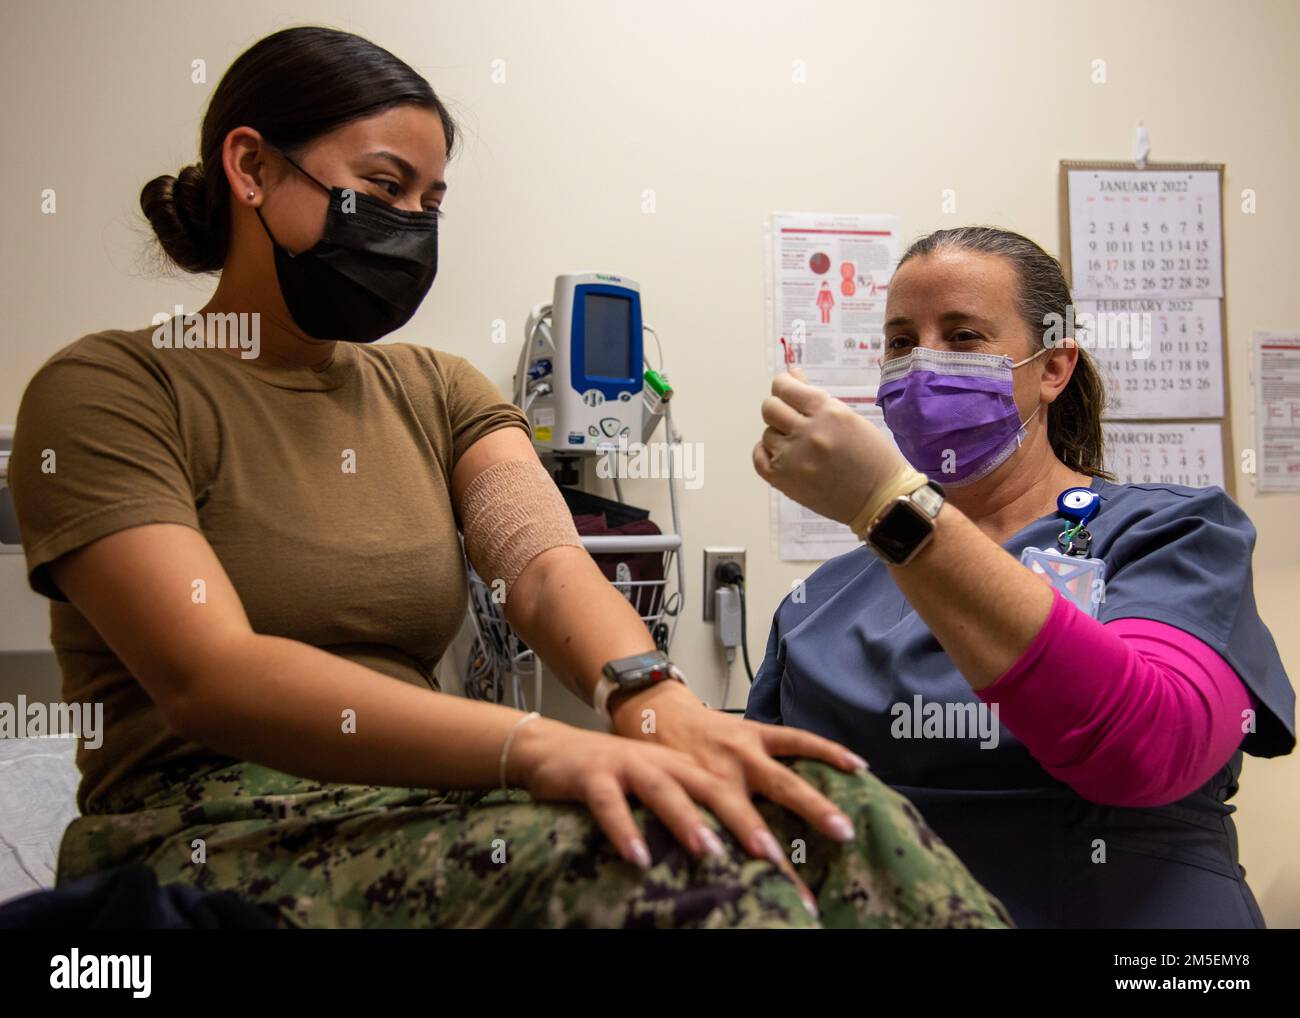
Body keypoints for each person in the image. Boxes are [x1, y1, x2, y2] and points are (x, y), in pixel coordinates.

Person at [7, 27, 1009, 929]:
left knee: (839, 820)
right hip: (214, 817)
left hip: (411, 793)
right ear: (253, 167)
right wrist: (536, 746)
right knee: (696, 870)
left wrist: (647, 699)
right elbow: (209, 675)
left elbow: (538, 565)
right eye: (383, 186)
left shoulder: (430, 387)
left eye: (429, 202)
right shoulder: (110, 389)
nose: (407, 223)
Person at [750, 226, 1295, 929]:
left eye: (964, 335)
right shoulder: (819, 604)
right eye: (900, 343)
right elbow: (762, 812)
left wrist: (890, 508)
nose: (923, 365)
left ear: (1053, 367)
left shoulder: (1172, 537)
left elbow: (1145, 749)